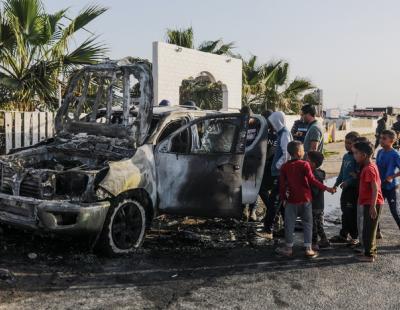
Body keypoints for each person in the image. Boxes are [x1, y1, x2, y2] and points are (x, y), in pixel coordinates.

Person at [275, 141, 335, 258]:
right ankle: (308, 248)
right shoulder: (304, 165)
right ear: (298, 153)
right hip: (306, 200)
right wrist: (327, 188)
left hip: (291, 200)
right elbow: (312, 180)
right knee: (308, 223)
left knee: (289, 224)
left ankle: (288, 248)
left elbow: (282, 186)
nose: (305, 152)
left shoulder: (285, 167)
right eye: (303, 150)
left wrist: (283, 199)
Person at [257, 111, 292, 239]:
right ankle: (286, 228)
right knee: (280, 202)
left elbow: (286, 154)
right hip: (279, 173)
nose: (271, 125)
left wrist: (277, 165)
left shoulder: (284, 134)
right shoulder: (281, 133)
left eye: (272, 122)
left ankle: (268, 230)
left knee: (274, 202)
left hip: (280, 173)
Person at [352, 141, 384, 262]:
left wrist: (372, 206)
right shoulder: (368, 166)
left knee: (369, 230)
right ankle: (370, 252)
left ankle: (369, 255)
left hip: (372, 203)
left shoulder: (369, 169)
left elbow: (375, 188)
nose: (354, 155)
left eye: (356, 153)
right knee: (368, 228)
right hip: (369, 202)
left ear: (363, 155)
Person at [330, 131, 360, 245]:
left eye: (349, 143)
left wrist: (348, 182)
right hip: (346, 189)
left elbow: (358, 175)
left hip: (353, 190)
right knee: (345, 211)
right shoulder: (346, 156)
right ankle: (343, 234)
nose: (346, 145)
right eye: (345, 142)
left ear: (356, 143)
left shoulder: (357, 157)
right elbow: (342, 172)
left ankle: (355, 236)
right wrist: (335, 185)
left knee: (352, 213)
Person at [376, 130, 400, 230]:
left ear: (392, 141)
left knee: (394, 211)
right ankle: (376, 233)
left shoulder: (395, 154)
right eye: (380, 138)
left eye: (384, 138)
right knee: (375, 211)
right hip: (379, 186)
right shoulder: (379, 152)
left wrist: (392, 177)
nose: (381, 140)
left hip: (391, 187)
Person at [307, 151, 331, 251]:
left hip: (314, 204)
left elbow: (314, 191)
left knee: (313, 224)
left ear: (312, 164)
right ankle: (324, 240)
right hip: (319, 204)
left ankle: (314, 243)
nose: (305, 162)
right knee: (318, 223)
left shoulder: (314, 175)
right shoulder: (319, 172)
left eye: (307, 160)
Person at [240, 106, 260, 221]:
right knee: (243, 185)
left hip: (254, 159)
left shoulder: (258, 124)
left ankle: (253, 211)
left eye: (246, 118)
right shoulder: (243, 125)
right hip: (243, 158)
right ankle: (244, 210)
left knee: (253, 186)